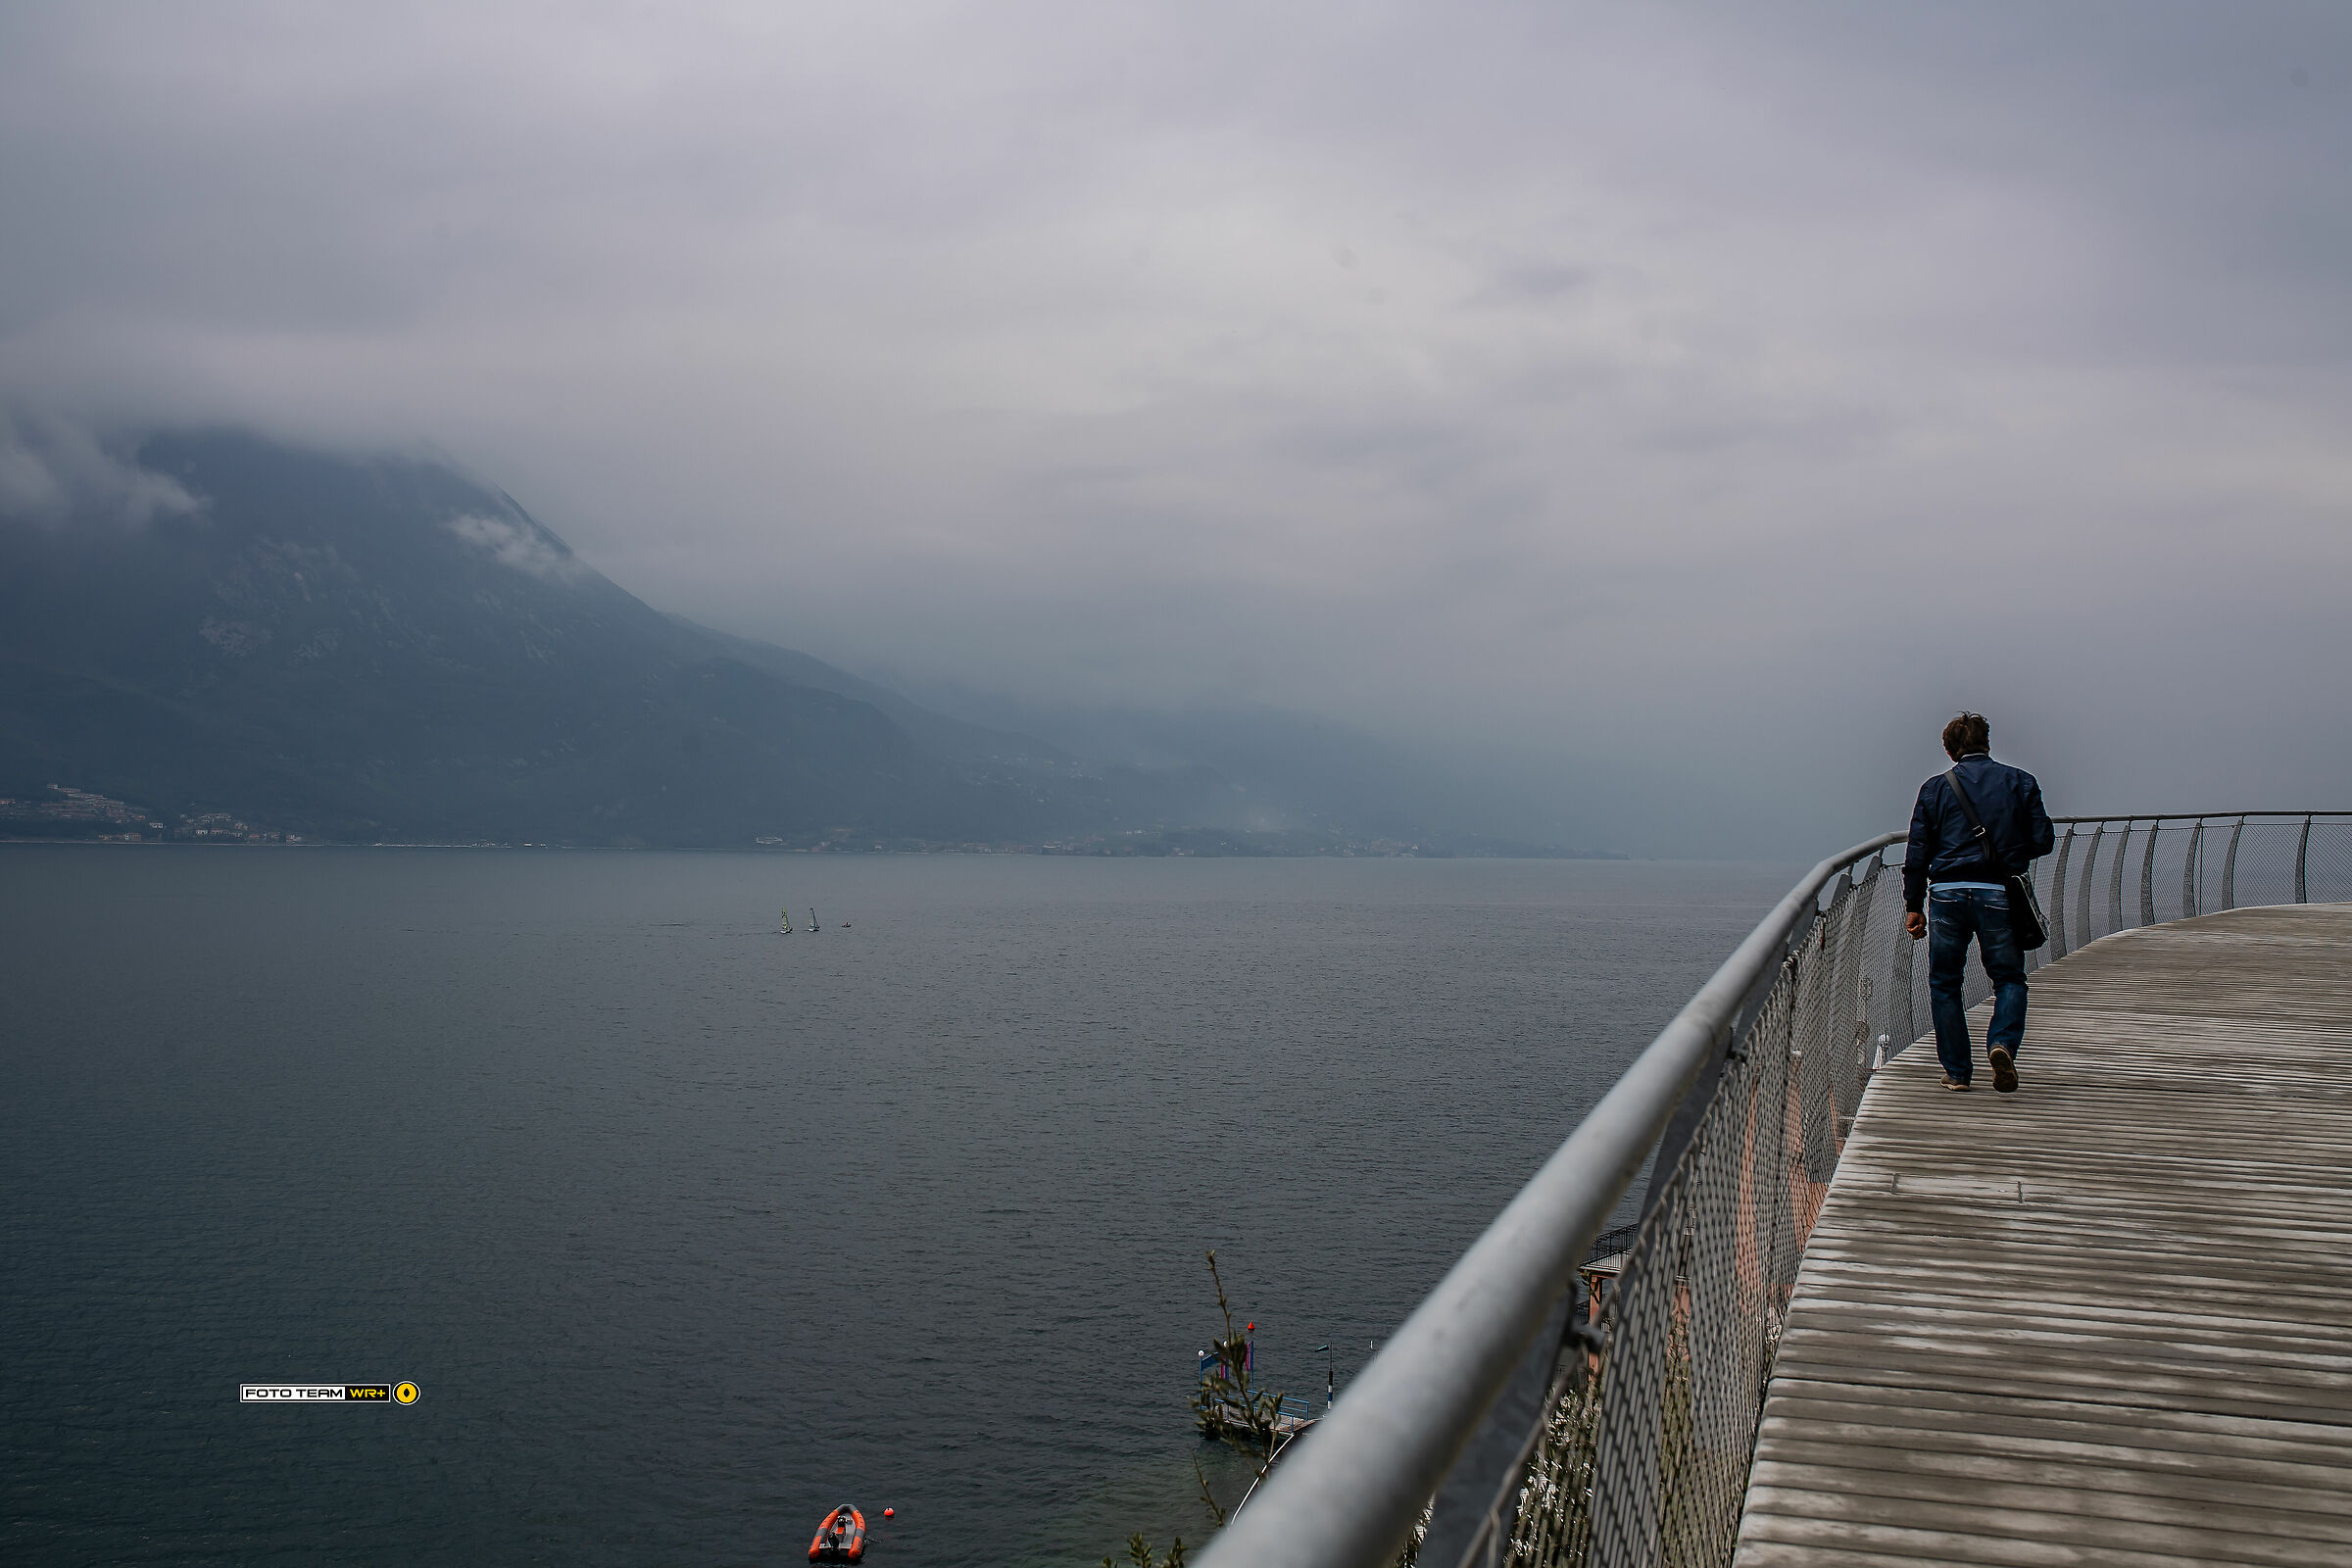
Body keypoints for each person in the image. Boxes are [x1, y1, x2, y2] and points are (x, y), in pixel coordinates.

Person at [1901, 712, 2053, 1094]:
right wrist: (2010, 852)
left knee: (1945, 983)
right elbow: (2043, 840)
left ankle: (1957, 1072)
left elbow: (1917, 852)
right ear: (1987, 742)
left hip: (1947, 894)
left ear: (1950, 750)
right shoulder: (2021, 781)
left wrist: (1914, 904)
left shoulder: (1934, 789)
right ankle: (2001, 1043)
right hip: (1999, 893)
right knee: (2009, 978)